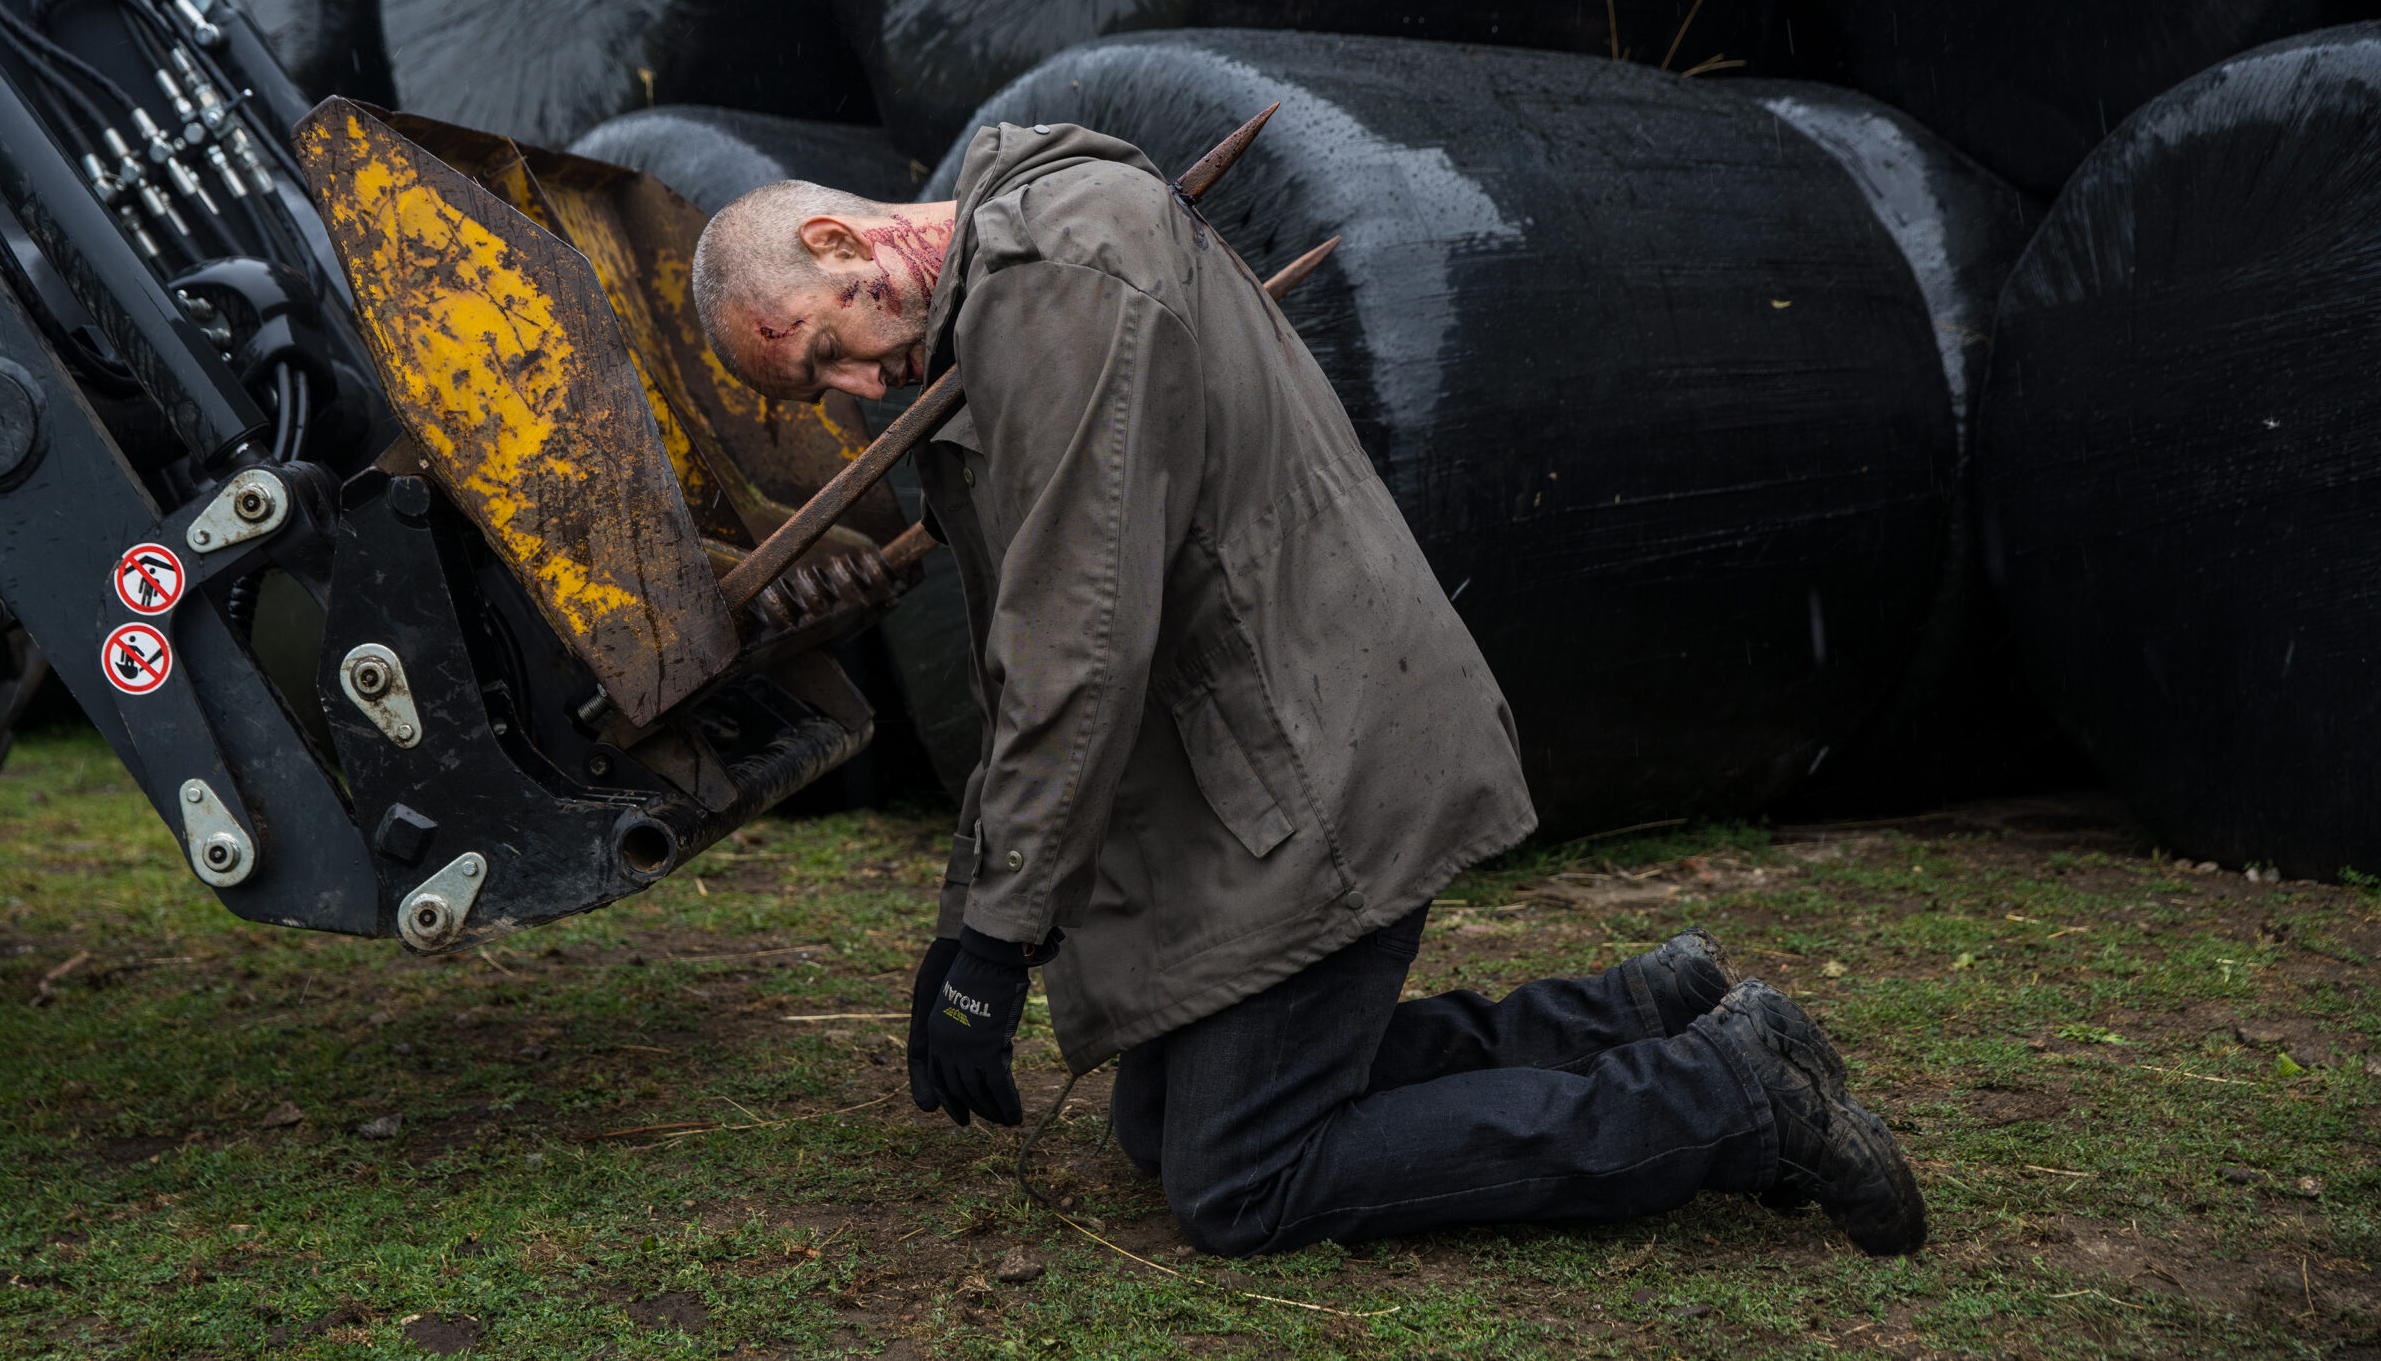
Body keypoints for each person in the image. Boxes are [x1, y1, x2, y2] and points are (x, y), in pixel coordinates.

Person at [690, 121, 1925, 1259]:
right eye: (824, 392)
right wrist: (967, 917)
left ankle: (1731, 1101)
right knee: (1159, 1124)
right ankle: (1646, 1008)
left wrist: (997, 946)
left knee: (1239, 1178)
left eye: (825, 351)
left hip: (1316, 755)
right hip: (1288, 728)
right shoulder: (1035, 269)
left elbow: (1076, 638)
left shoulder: (1055, 280)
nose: (862, 389)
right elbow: (1032, 647)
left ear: (838, 240)